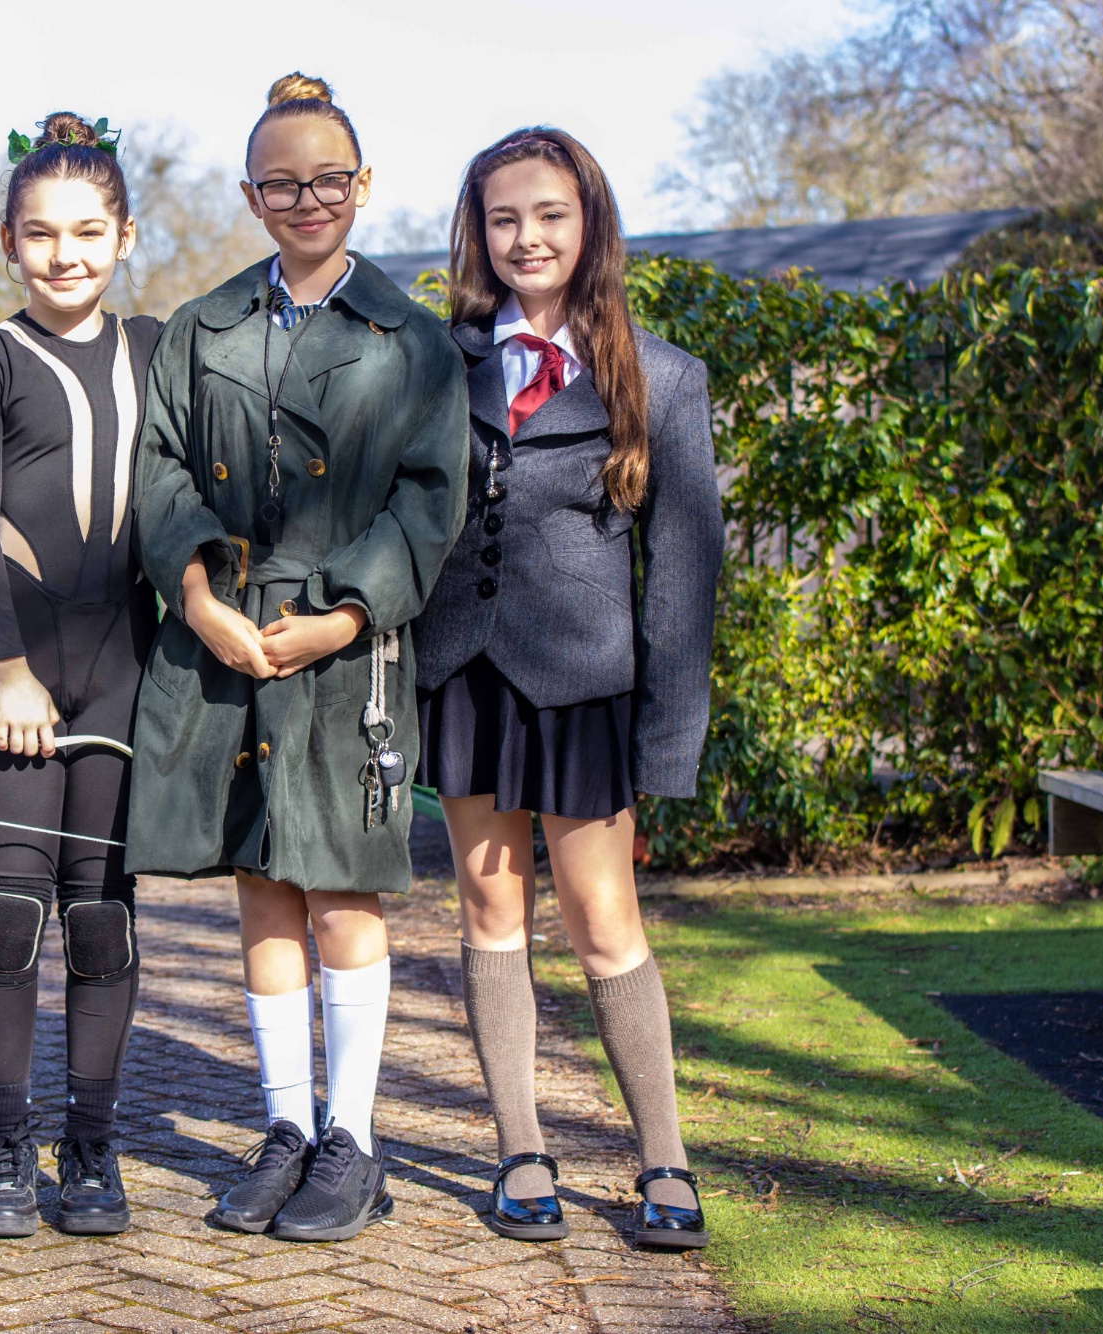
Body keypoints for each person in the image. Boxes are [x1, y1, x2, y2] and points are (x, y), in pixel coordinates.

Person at [128, 73, 469, 1243]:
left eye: (327, 177)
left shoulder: (412, 341)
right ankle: (283, 1127)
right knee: (261, 886)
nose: (306, 196)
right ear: (250, 193)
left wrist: (345, 615)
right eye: (282, 180)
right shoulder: (199, 325)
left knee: (341, 890)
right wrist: (196, 593)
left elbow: (431, 501)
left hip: (341, 649)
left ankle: (352, 1140)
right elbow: (160, 470)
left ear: (361, 185)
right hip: (227, 637)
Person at [410, 127, 725, 1250]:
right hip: (464, 677)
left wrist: (664, 743)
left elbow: (683, 577)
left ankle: (663, 1158)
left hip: (585, 690)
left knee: (602, 920)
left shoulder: (661, 373)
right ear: (478, 232)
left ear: (586, 220)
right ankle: (518, 1148)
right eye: (502, 218)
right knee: (490, 910)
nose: (525, 236)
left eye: (547, 213)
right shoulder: (433, 362)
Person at [0, 111, 161, 1239]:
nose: (63, 254)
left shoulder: (161, 348)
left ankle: (92, 1144)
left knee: (103, 916)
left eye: (86, 231)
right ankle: (2, 1143)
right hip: (16, 684)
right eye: (40, 234)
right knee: (9, 914)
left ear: (124, 236)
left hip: (124, 672)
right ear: (7, 243)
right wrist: (7, 671)